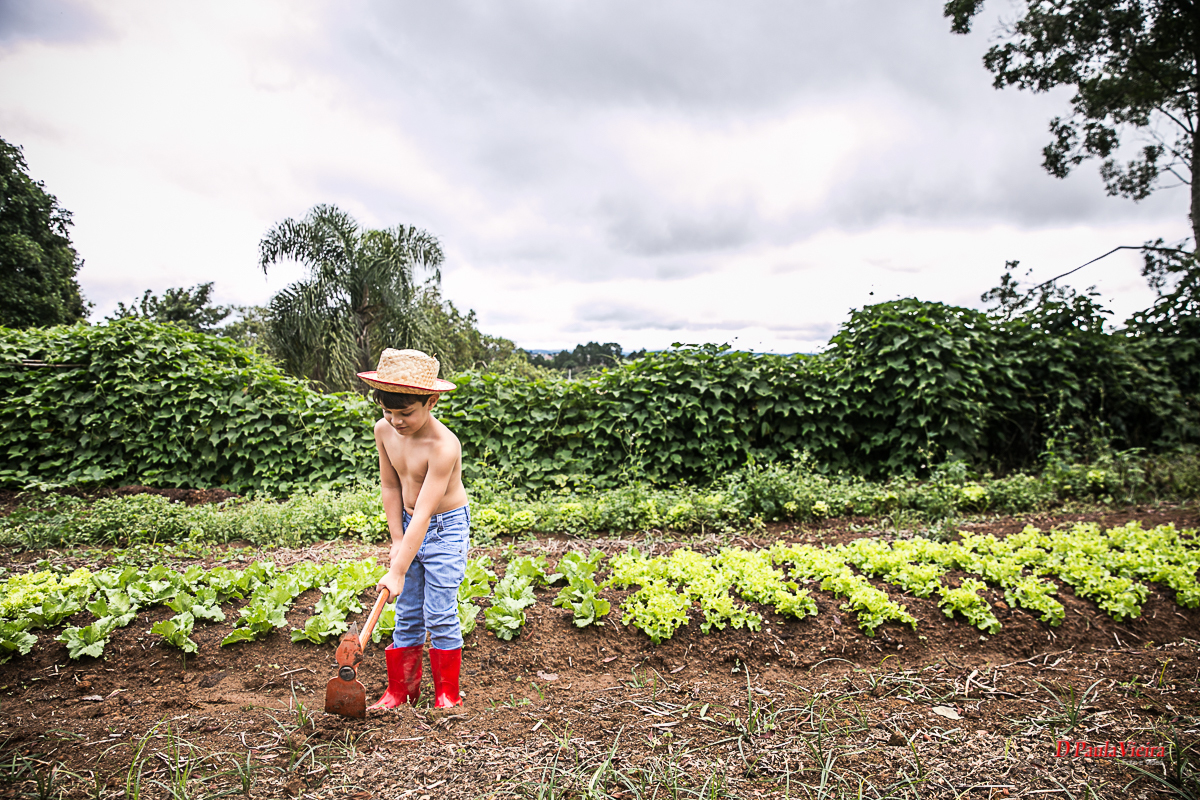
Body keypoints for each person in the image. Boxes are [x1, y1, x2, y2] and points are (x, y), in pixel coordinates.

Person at [357, 348, 469, 710]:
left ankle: (446, 695)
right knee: (405, 612)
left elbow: (424, 513)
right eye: (388, 411)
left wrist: (398, 569)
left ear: (431, 401)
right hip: (408, 524)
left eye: (405, 412)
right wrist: (396, 540)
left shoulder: (444, 446)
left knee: (439, 612)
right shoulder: (383, 431)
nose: (396, 421)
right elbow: (390, 487)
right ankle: (400, 692)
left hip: (444, 529)